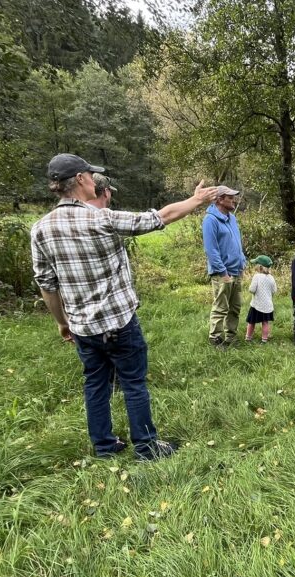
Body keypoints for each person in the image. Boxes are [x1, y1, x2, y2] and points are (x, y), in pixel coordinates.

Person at [31, 153, 217, 461]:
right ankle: (146, 447)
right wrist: (196, 200)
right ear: (80, 179)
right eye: (90, 175)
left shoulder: (40, 229)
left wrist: (62, 322)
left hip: (82, 327)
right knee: (133, 383)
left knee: (95, 384)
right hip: (119, 323)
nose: (93, 181)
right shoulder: (102, 219)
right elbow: (160, 217)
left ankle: (104, 446)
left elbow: (46, 283)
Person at [202, 186, 246, 348]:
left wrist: (242, 262)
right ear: (220, 199)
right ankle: (216, 338)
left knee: (235, 307)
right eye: (230, 197)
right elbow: (211, 250)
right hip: (223, 273)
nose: (234, 200)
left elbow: (237, 242)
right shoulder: (210, 220)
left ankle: (231, 337)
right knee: (221, 307)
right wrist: (223, 273)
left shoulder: (232, 218)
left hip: (237, 271)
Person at [246, 255, 277, 344]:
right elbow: (274, 290)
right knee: (265, 322)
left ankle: (248, 338)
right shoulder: (271, 277)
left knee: (251, 322)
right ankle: (264, 340)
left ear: (260, 267)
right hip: (267, 305)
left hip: (256, 305)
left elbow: (252, 289)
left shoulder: (257, 276)